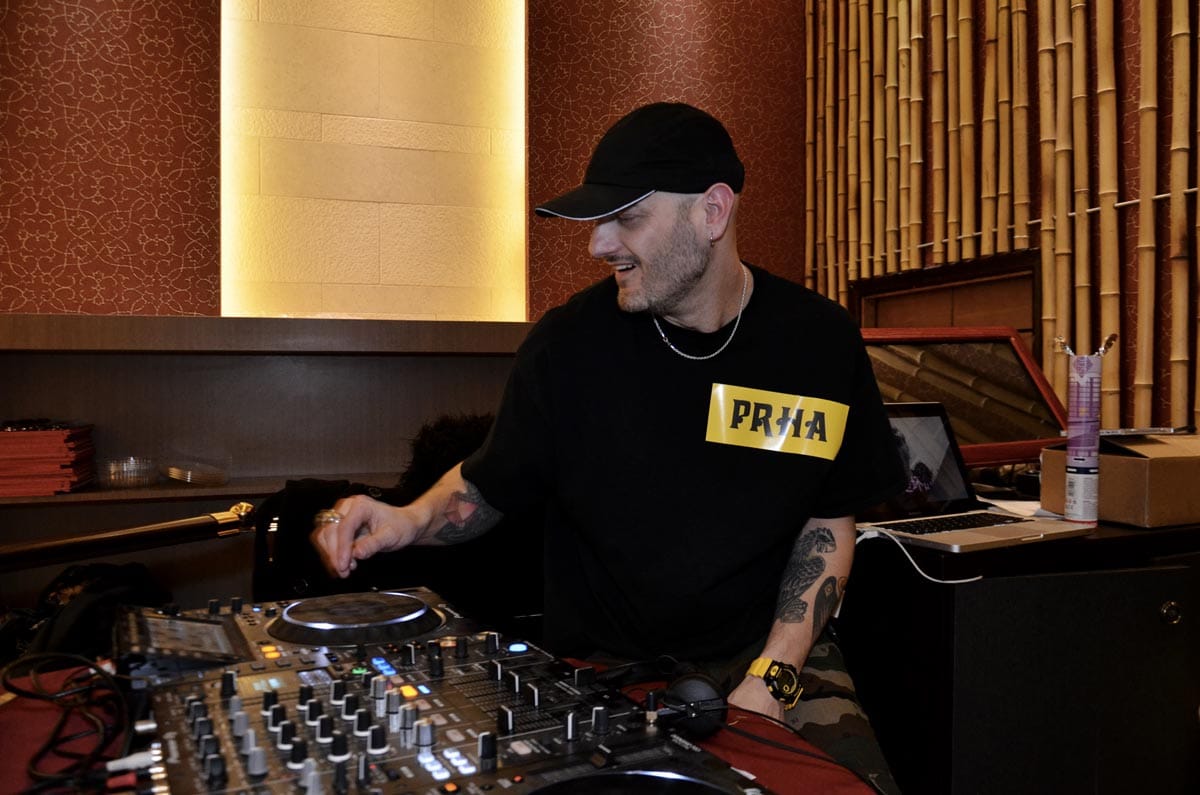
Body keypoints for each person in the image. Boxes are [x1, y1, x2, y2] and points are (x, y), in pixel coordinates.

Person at [312, 101, 905, 790]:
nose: (598, 244)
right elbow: (487, 484)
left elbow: (829, 521)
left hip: (772, 651)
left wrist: (773, 677)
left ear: (713, 212)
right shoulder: (567, 347)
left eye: (627, 217)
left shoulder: (820, 343)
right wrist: (408, 518)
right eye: (599, 220)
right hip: (605, 667)